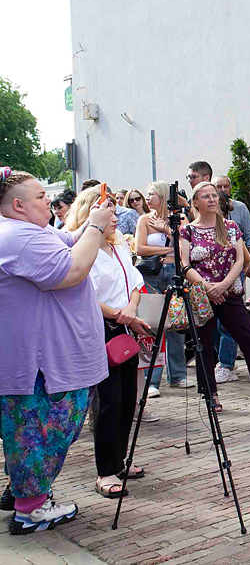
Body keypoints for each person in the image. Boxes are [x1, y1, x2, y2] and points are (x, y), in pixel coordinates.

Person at [0, 167, 113, 534]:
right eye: (40, 197)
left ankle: (22, 490)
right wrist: (96, 227)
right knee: (40, 431)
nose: (48, 200)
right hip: (40, 367)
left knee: (31, 432)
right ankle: (30, 508)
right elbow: (72, 269)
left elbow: (66, 242)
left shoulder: (31, 232)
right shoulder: (19, 238)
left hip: (43, 363)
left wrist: (89, 226)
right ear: (18, 205)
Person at [66, 187, 150, 498]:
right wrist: (118, 314)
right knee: (108, 400)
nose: (115, 217)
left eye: (115, 211)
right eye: (108, 211)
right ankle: (105, 471)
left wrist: (130, 309)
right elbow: (82, 291)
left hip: (125, 327)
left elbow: (136, 283)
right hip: (99, 328)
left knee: (129, 397)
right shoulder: (80, 247)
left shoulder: (120, 247)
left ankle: (121, 458)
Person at [178, 182, 250, 409]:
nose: (212, 200)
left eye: (214, 195)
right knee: (203, 345)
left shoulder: (231, 226)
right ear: (196, 202)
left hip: (230, 293)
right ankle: (210, 393)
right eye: (206, 196)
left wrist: (223, 285)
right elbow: (185, 264)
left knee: (248, 338)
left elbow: (240, 260)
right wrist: (208, 287)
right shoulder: (188, 230)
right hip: (202, 295)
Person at [135, 181, 191, 393]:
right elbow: (140, 248)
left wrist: (166, 229)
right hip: (152, 274)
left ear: (162, 196)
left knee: (176, 323)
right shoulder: (144, 219)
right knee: (153, 324)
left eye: (152, 194)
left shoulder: (180, 219)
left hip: (173, 272)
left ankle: (177, 374)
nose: (148, 198)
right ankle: (151, 379)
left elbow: (183, 246)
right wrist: (164, 251)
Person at [211, 173, 250, 384]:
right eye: (218, 186)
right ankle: (221, 360)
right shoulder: (200, 219)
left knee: (231, 323)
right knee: (213, 323)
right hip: (209, 278)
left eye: (225, 185)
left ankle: (227, 364)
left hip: (234, 273)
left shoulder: (238, 210)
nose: (222, 188)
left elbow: (249, 236)